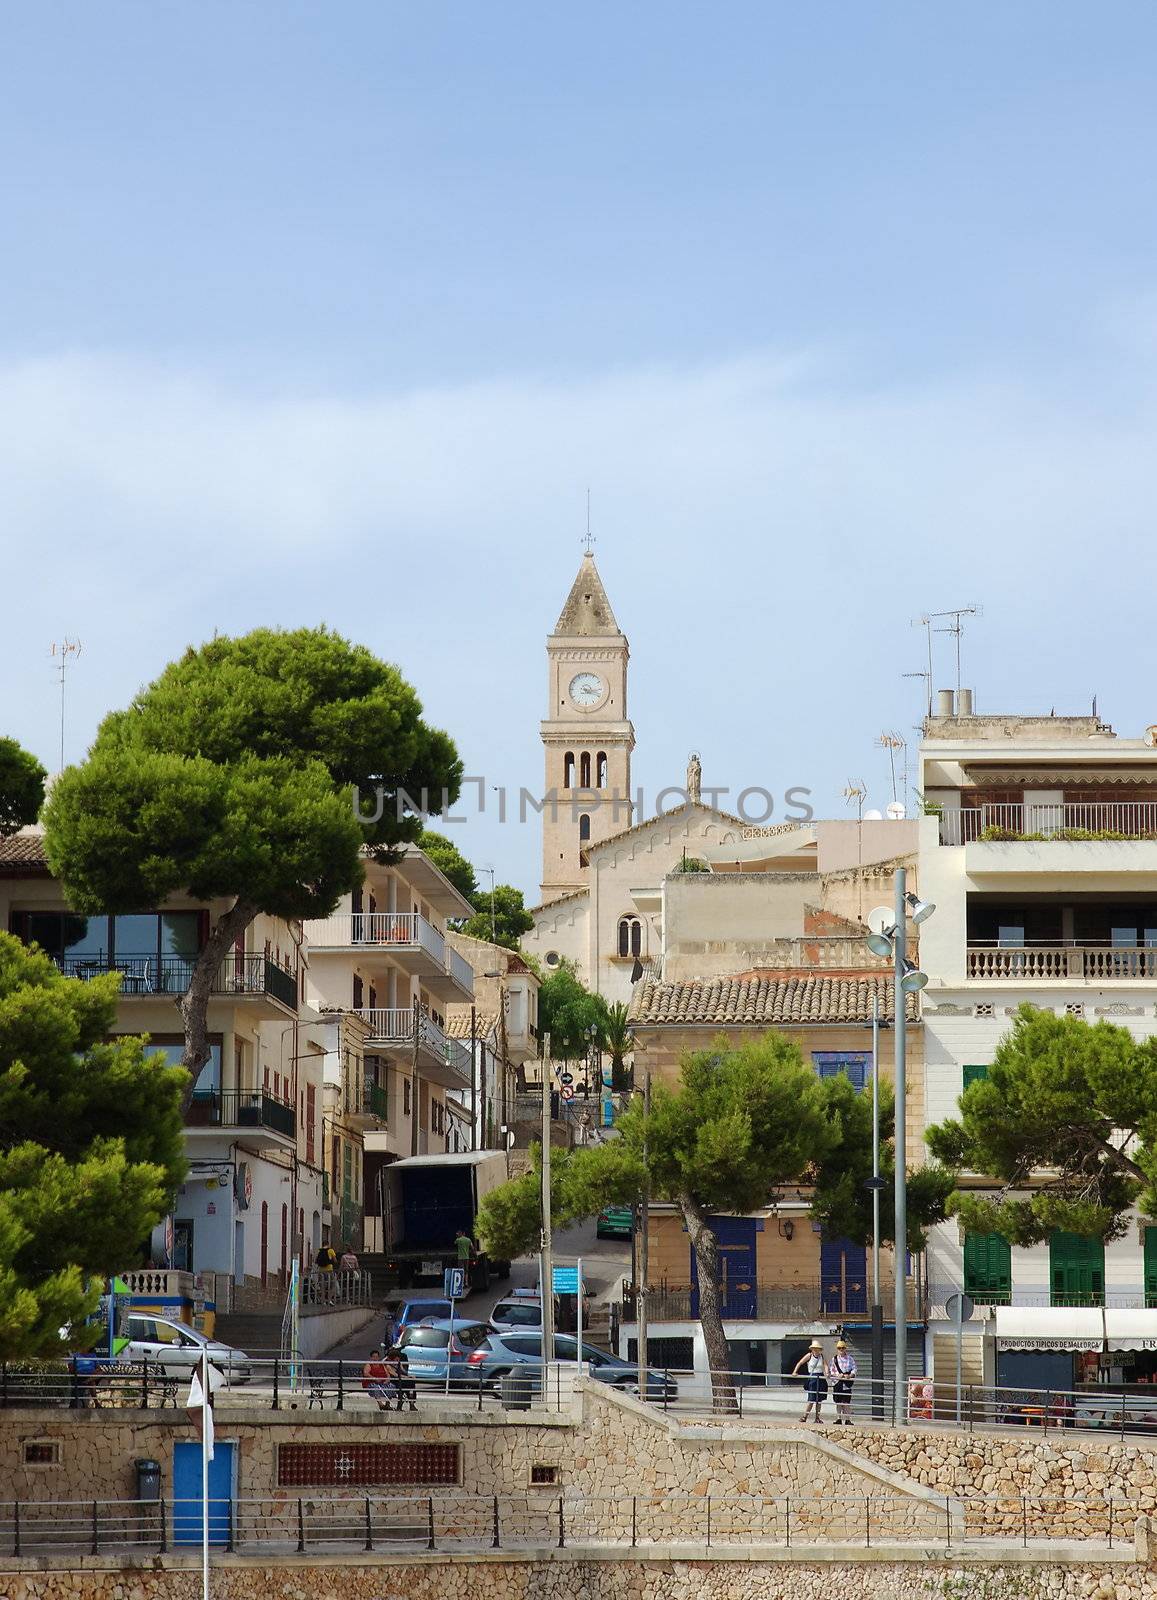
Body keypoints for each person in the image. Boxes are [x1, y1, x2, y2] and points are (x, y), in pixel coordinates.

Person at [792, 1340, 827, 1423]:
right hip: (812, 1378)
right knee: (811, 1399)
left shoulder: (821, 1356)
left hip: (820, 1377)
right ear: (812, 1349)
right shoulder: (809, 1355)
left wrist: (827, 1372)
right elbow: (800, 1362)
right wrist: (795, 1371)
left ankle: (817, 1417)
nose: (816, 1350)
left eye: (817, 1348)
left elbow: (825, 1365)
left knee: (819, 1400)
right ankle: (805, 1416)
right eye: (814, 1348)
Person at [828, 1340, 857, 1425]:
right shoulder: (834, 1359)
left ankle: (847, 1419)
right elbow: (831, 1370)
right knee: (838, 1401)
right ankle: (839, 1419)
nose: (841, 1349)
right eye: (839, 1348)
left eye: (843, 1348)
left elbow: (854, 1368)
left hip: (847, 1383)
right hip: (837, 1382)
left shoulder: (850, 1359)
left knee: (847, 1402)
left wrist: (851, 1375)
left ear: (845, 1349)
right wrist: (838, 1375)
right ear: (837, 1349)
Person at [387, 1343, 418, 1412]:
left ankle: (411, 1403)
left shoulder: (399, 1363)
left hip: (401, 1380)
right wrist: (405, 1377)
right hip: (394, 1381)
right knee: (405, 1385)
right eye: (396, 1359)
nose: (398, 1360)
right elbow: (395, 1375)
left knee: (411, 1383)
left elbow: (404, 1371)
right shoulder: (388, 1366)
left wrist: (409, 1376)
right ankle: (405, 1405)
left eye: (398, 1358)